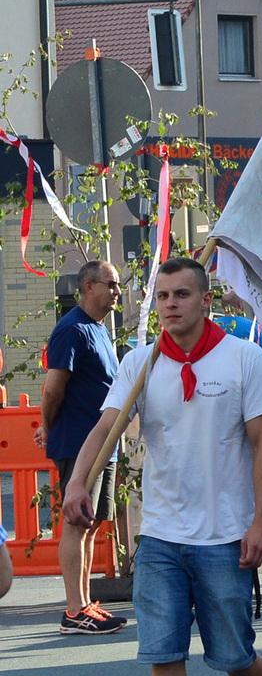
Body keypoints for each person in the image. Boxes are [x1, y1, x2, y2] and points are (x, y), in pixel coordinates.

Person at [61, 256, 262, 676]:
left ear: (205, 300)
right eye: (163, 295)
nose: (170, 304)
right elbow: (104, 427)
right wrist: (77, 483)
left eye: (181, 295)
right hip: (162, 536)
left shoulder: (243, 360)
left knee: (235, 659)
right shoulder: (141, 363)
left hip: (223, 536)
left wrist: (260, 522)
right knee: (162, 654)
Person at [41, 260, 125, 636]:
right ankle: (74, 609)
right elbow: (53, 388)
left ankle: (86, 602)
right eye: (111, 284)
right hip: (79, 440)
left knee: (90, 524)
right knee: (76, 522)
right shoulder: (71, 330)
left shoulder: (100, 330)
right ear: (88, 286)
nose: (117, 292)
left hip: (105, 441)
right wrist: (47, 427)